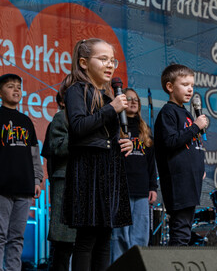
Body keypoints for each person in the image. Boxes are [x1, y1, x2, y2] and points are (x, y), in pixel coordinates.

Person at [61, 38, 133, 271]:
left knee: (105, 238)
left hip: (108, 167)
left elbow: (106, 133)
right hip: (88, 168)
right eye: (103, 59)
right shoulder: (76, 90)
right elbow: (79, 127)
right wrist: (111, 109)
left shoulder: (107, 96)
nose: (110, 65)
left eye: (112, 60)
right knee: (87, 238)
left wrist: (125, 143)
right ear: (83, 62)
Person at [0, 73, 43, 270]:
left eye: (18, 86)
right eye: (10, 86)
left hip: (24, 188)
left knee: (17, 237)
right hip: (0, 188)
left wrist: (37, 179)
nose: (15, 90)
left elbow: (34, 154)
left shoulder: (26, 121)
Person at [154, 63, 207, 246]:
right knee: (180, 231)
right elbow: (170, 141)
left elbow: (192, 143)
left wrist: (200, 165)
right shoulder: (168, 112)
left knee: (185, 229)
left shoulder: (186, 113)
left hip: (190, 179)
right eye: (185, 84)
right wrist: (195, 127)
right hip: (178, 181)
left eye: (192, 85)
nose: (190, 89)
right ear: (170, 87)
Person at [110, 88, 157, 263]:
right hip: (121, 189)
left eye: (136, 99)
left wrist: (152, 186)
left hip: (141, 190)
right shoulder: (115, 127)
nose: (133, 102)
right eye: (128, 99)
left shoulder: (144, 130)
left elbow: (151, 162)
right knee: (120, 236)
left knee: (140, 236)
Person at [42, 75, 76, 271]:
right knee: (63, 246)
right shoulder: (61, 118)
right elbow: (55, 152)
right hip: (66, 188)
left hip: (87, 187)